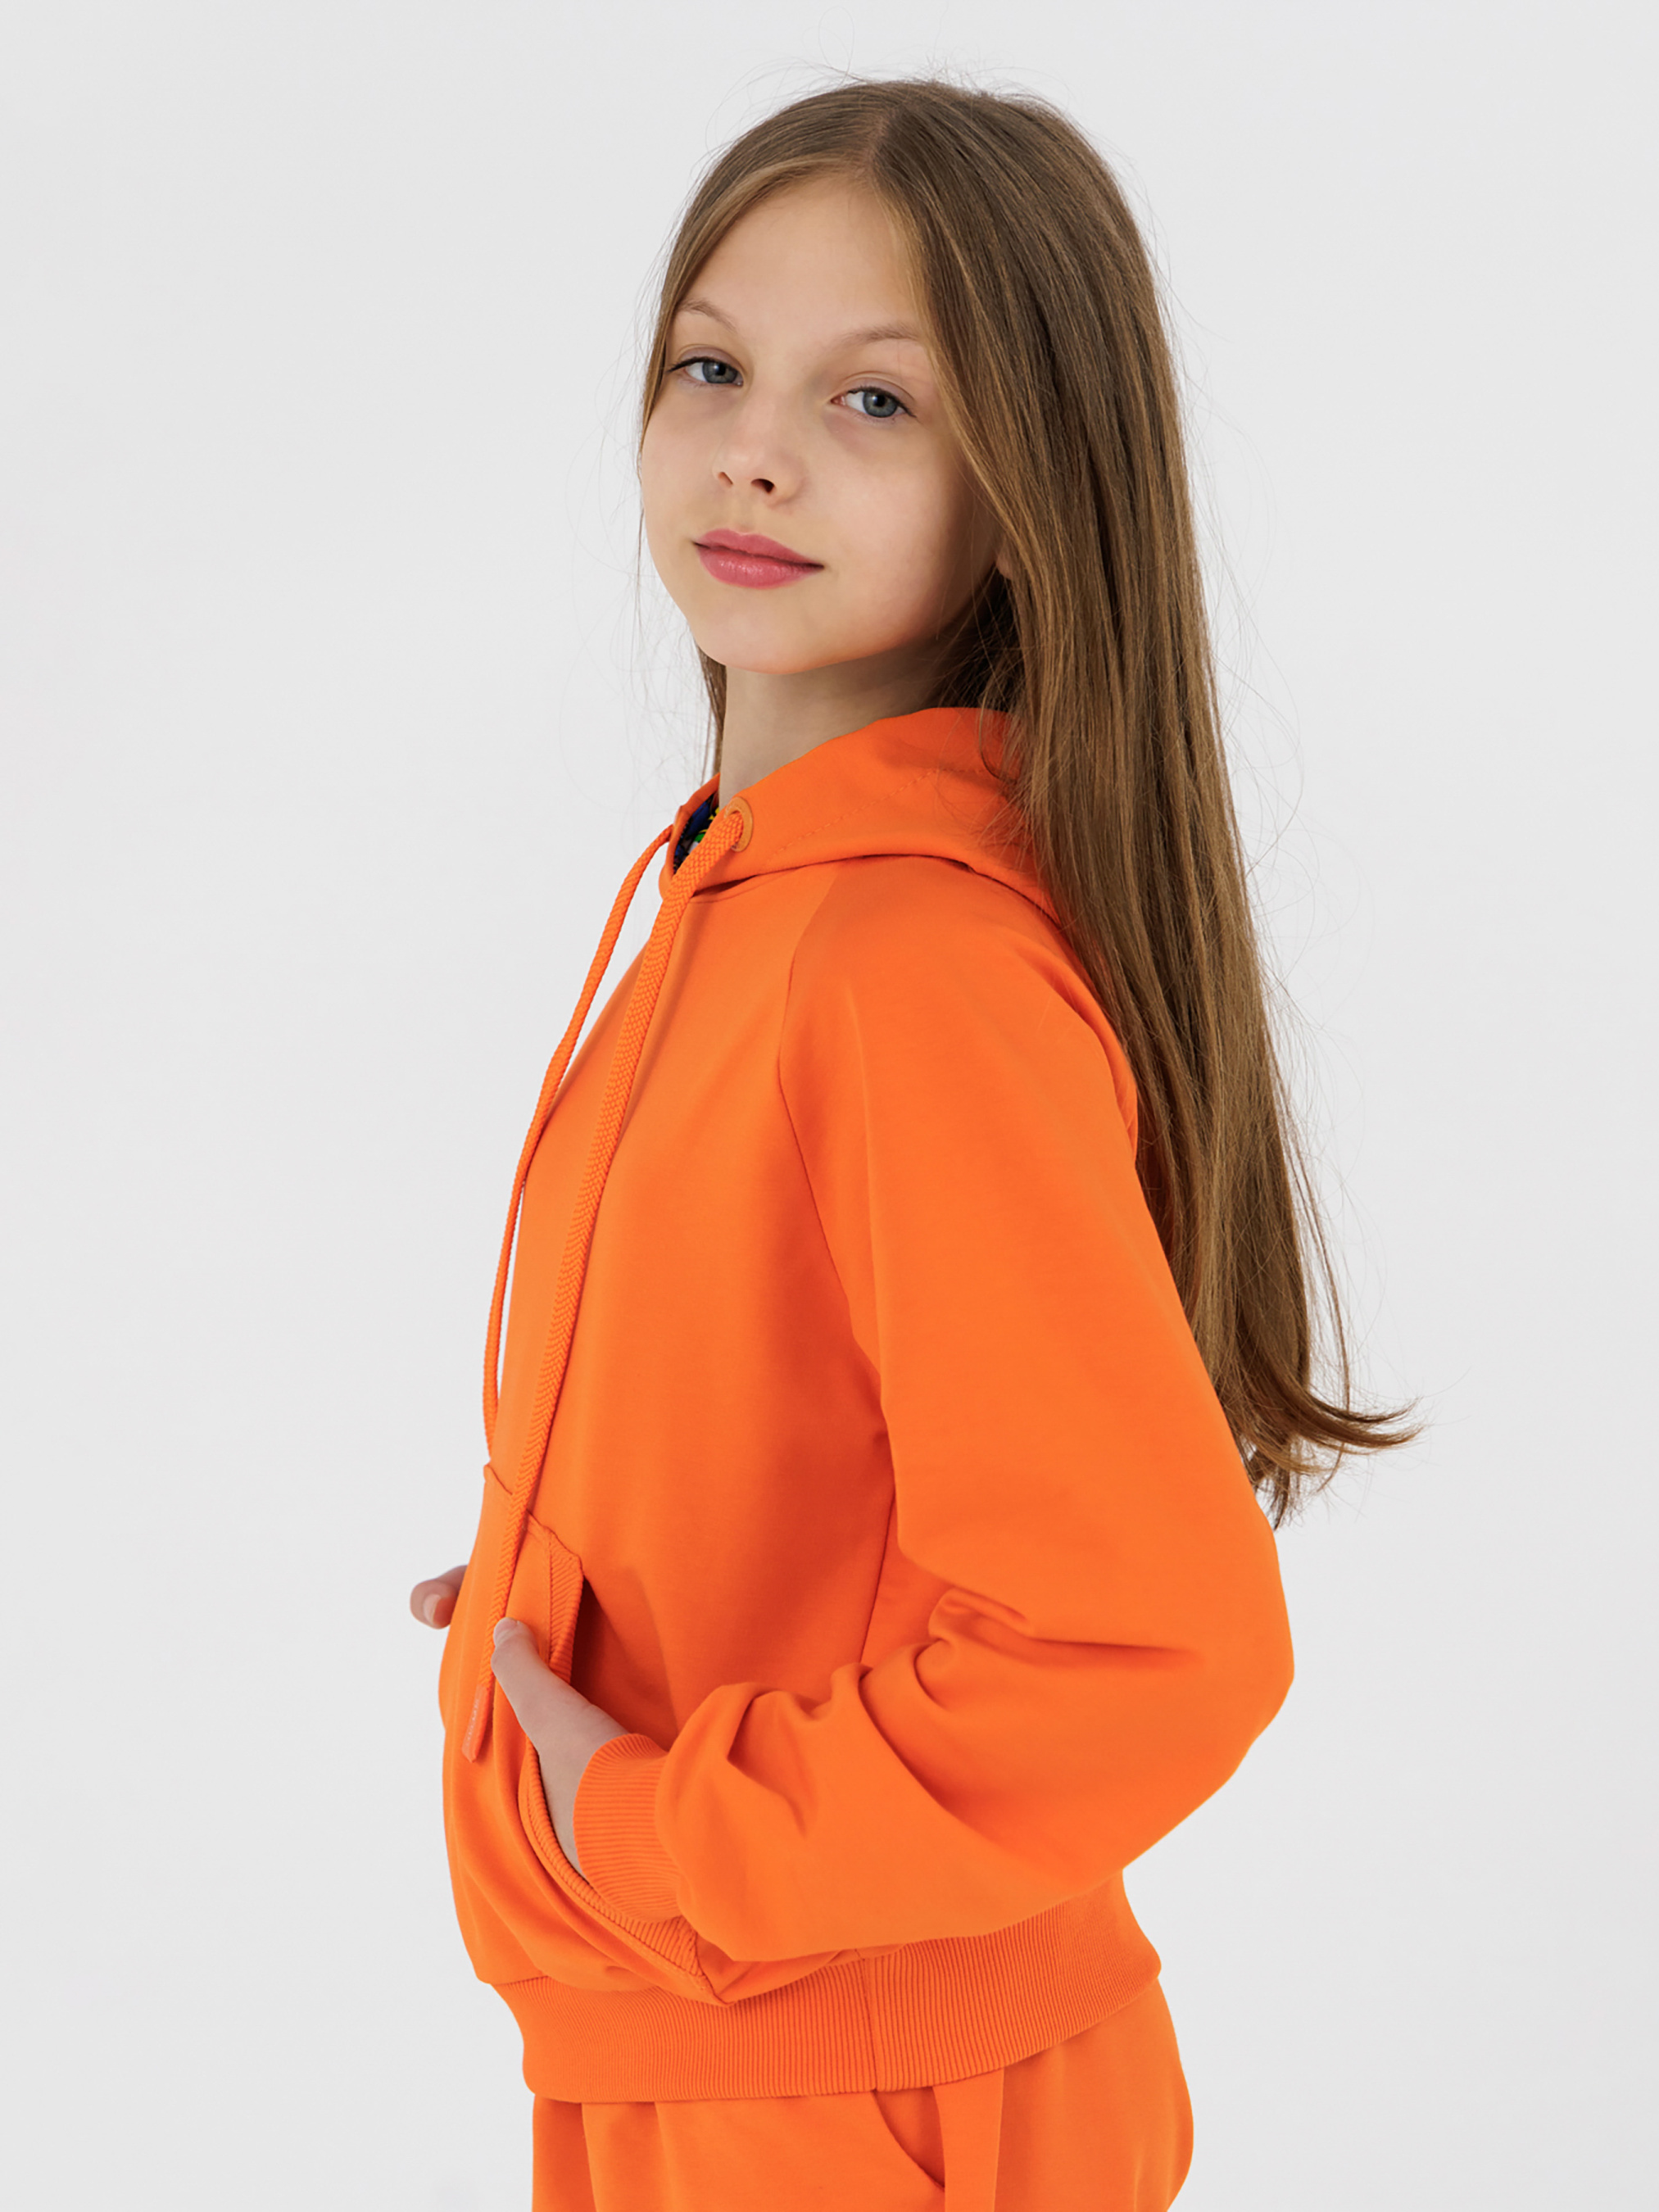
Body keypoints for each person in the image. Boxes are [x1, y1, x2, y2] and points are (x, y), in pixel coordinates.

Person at [409, 78, 1407, 2212]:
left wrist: (646, 1823)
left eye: (874, 400)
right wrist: (580, 1573)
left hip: (846, 2096)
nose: (754, 448)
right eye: (712, 366)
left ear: (1030, 488)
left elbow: (1151, 1649)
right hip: (723, 2045)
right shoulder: (747, 904)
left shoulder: (897, 964)